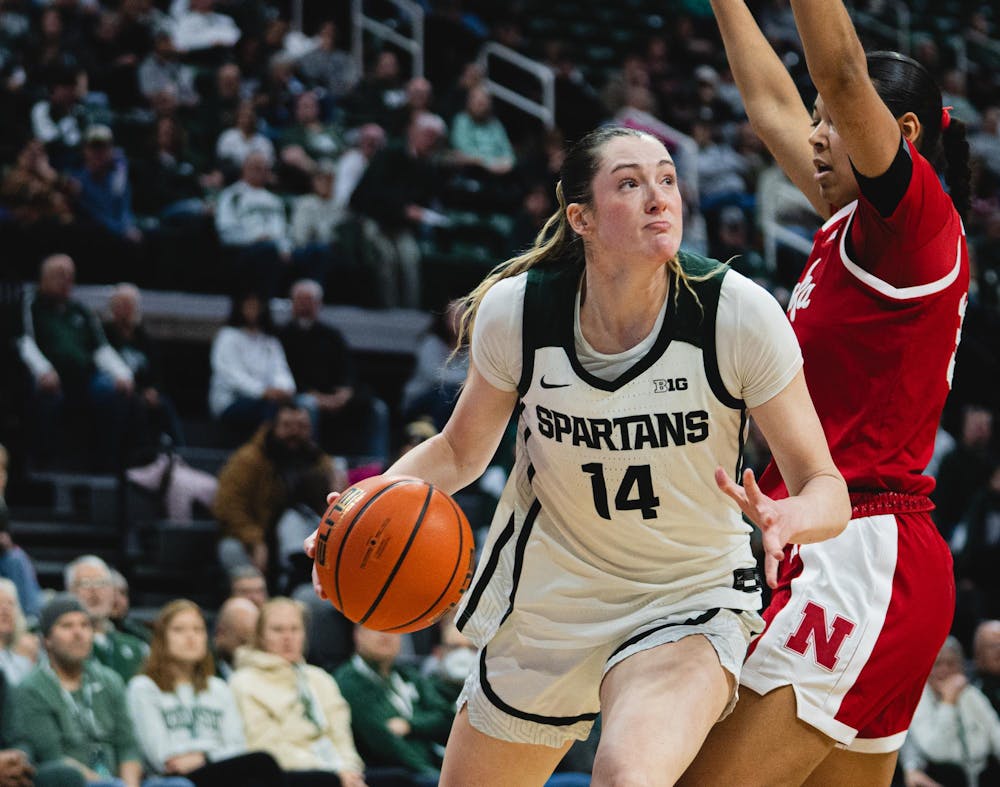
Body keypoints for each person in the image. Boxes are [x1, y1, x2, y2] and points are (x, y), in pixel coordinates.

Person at [308, 125, 849, 784]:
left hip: (685, 594)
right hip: (550, 602)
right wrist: (365, 501)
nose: (659, 197)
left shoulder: (735, 313)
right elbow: (457, 451)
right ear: (581, 218)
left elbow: (827, 485)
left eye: (668, 179)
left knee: (627, 774)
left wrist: (792, 518)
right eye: (630, 183)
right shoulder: (522, 311)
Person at [681, 1, 973, 785]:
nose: (814, 132)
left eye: (832, 122)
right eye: (818, 121)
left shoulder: (914, 226)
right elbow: (773, 106)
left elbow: (839, 70)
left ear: (900, 135)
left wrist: (838, 87)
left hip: (861, 555)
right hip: (863, 556)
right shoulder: (852, 227)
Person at [5, 594, 192, 787]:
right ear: (47, 640)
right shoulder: (32, 688)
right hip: (75, 783)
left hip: (120, 782)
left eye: (85, 625)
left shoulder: (110, 680)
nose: (78, 633)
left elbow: (127, 747)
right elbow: (53, 756)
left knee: (179, 785)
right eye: (67, 626)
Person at [127, 600, 291, 787]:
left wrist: (203, 756)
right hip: (170, 779)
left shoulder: (218, 688)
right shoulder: (144, 688)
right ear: (162, 639)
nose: (190, 637)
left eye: (198, 630)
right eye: (179, 630)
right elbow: (161, 757)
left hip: (214, 768)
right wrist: (208, 754)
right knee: (261, 763)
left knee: (263, 767)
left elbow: (237, 746)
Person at [16, 254, 136, 470]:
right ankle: (44, 463)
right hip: (49, 376)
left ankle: (105, 464)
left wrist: (123, 374)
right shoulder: (30, 304)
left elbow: (102, 349)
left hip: (84, 376)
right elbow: (23, 341)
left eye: (70, 276)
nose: (66, 281)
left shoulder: (80, 310)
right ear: (43, 278)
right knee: (46, 393)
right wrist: (43, 371)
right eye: (60, 275)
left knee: (113, 391)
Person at [228, 598, 360, 786]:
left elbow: (342, 738)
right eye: (278, 630)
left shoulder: (320, 678)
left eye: (294, 629)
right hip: (288, 776)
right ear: (260, 636)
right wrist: (329, 774)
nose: (287, 637)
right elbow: (264, 748)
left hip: (338, 773)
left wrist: (349, 770)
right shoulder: (244, 682)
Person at [213, 403, 335, 588]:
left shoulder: (321, 462)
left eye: (302, 427)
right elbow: (227, 506)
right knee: (230, 549)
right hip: (257, 535)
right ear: (273, 427)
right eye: (287, 426)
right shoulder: (248, 459)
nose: (295, 432)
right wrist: (254, 539)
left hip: (303, 536)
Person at [278, 280, 390, 465]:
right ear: (292, 303)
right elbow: (283, 374)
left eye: (310, 300)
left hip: (334, 395)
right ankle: (312, 464)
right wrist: (315, 395)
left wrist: (344, 393)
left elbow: (347, 369)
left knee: (377, 409)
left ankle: (375, 467)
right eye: (301, 300)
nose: (305, 305)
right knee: (308, 405)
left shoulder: (332, 335)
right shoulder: (282, 336)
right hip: (302, 394)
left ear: (319, 304)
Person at [333, 627, 452, 784]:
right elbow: (385, 742)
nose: (385, 635)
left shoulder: (408, 675)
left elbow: (447, 718)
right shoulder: (349, 681)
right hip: (398, 775)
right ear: (357, 635)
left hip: (435, 767)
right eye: (376, 628)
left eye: (392, 628)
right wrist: (434, 775)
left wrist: (410, 725)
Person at [899, 637, 1000, 787]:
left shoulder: (971, 694)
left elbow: (996, 732)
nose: (944, 670)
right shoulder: (916, 698)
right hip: (940, 775)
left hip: (981, 774)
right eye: (937, 664)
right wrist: (948, 702)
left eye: (951, 663)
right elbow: (935, 749)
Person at [66, 556, 149, 683]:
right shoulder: (59, 644)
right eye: (85, 583)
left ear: (112, 592)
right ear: (69, 592)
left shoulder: (137, 646)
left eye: (101, 583)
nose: (94, 590)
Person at [212, 597, 259, 681]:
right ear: (220, 633)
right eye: (243, 642)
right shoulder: (205, 671)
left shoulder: (263, 672)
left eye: (254, 642)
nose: (249, 648)